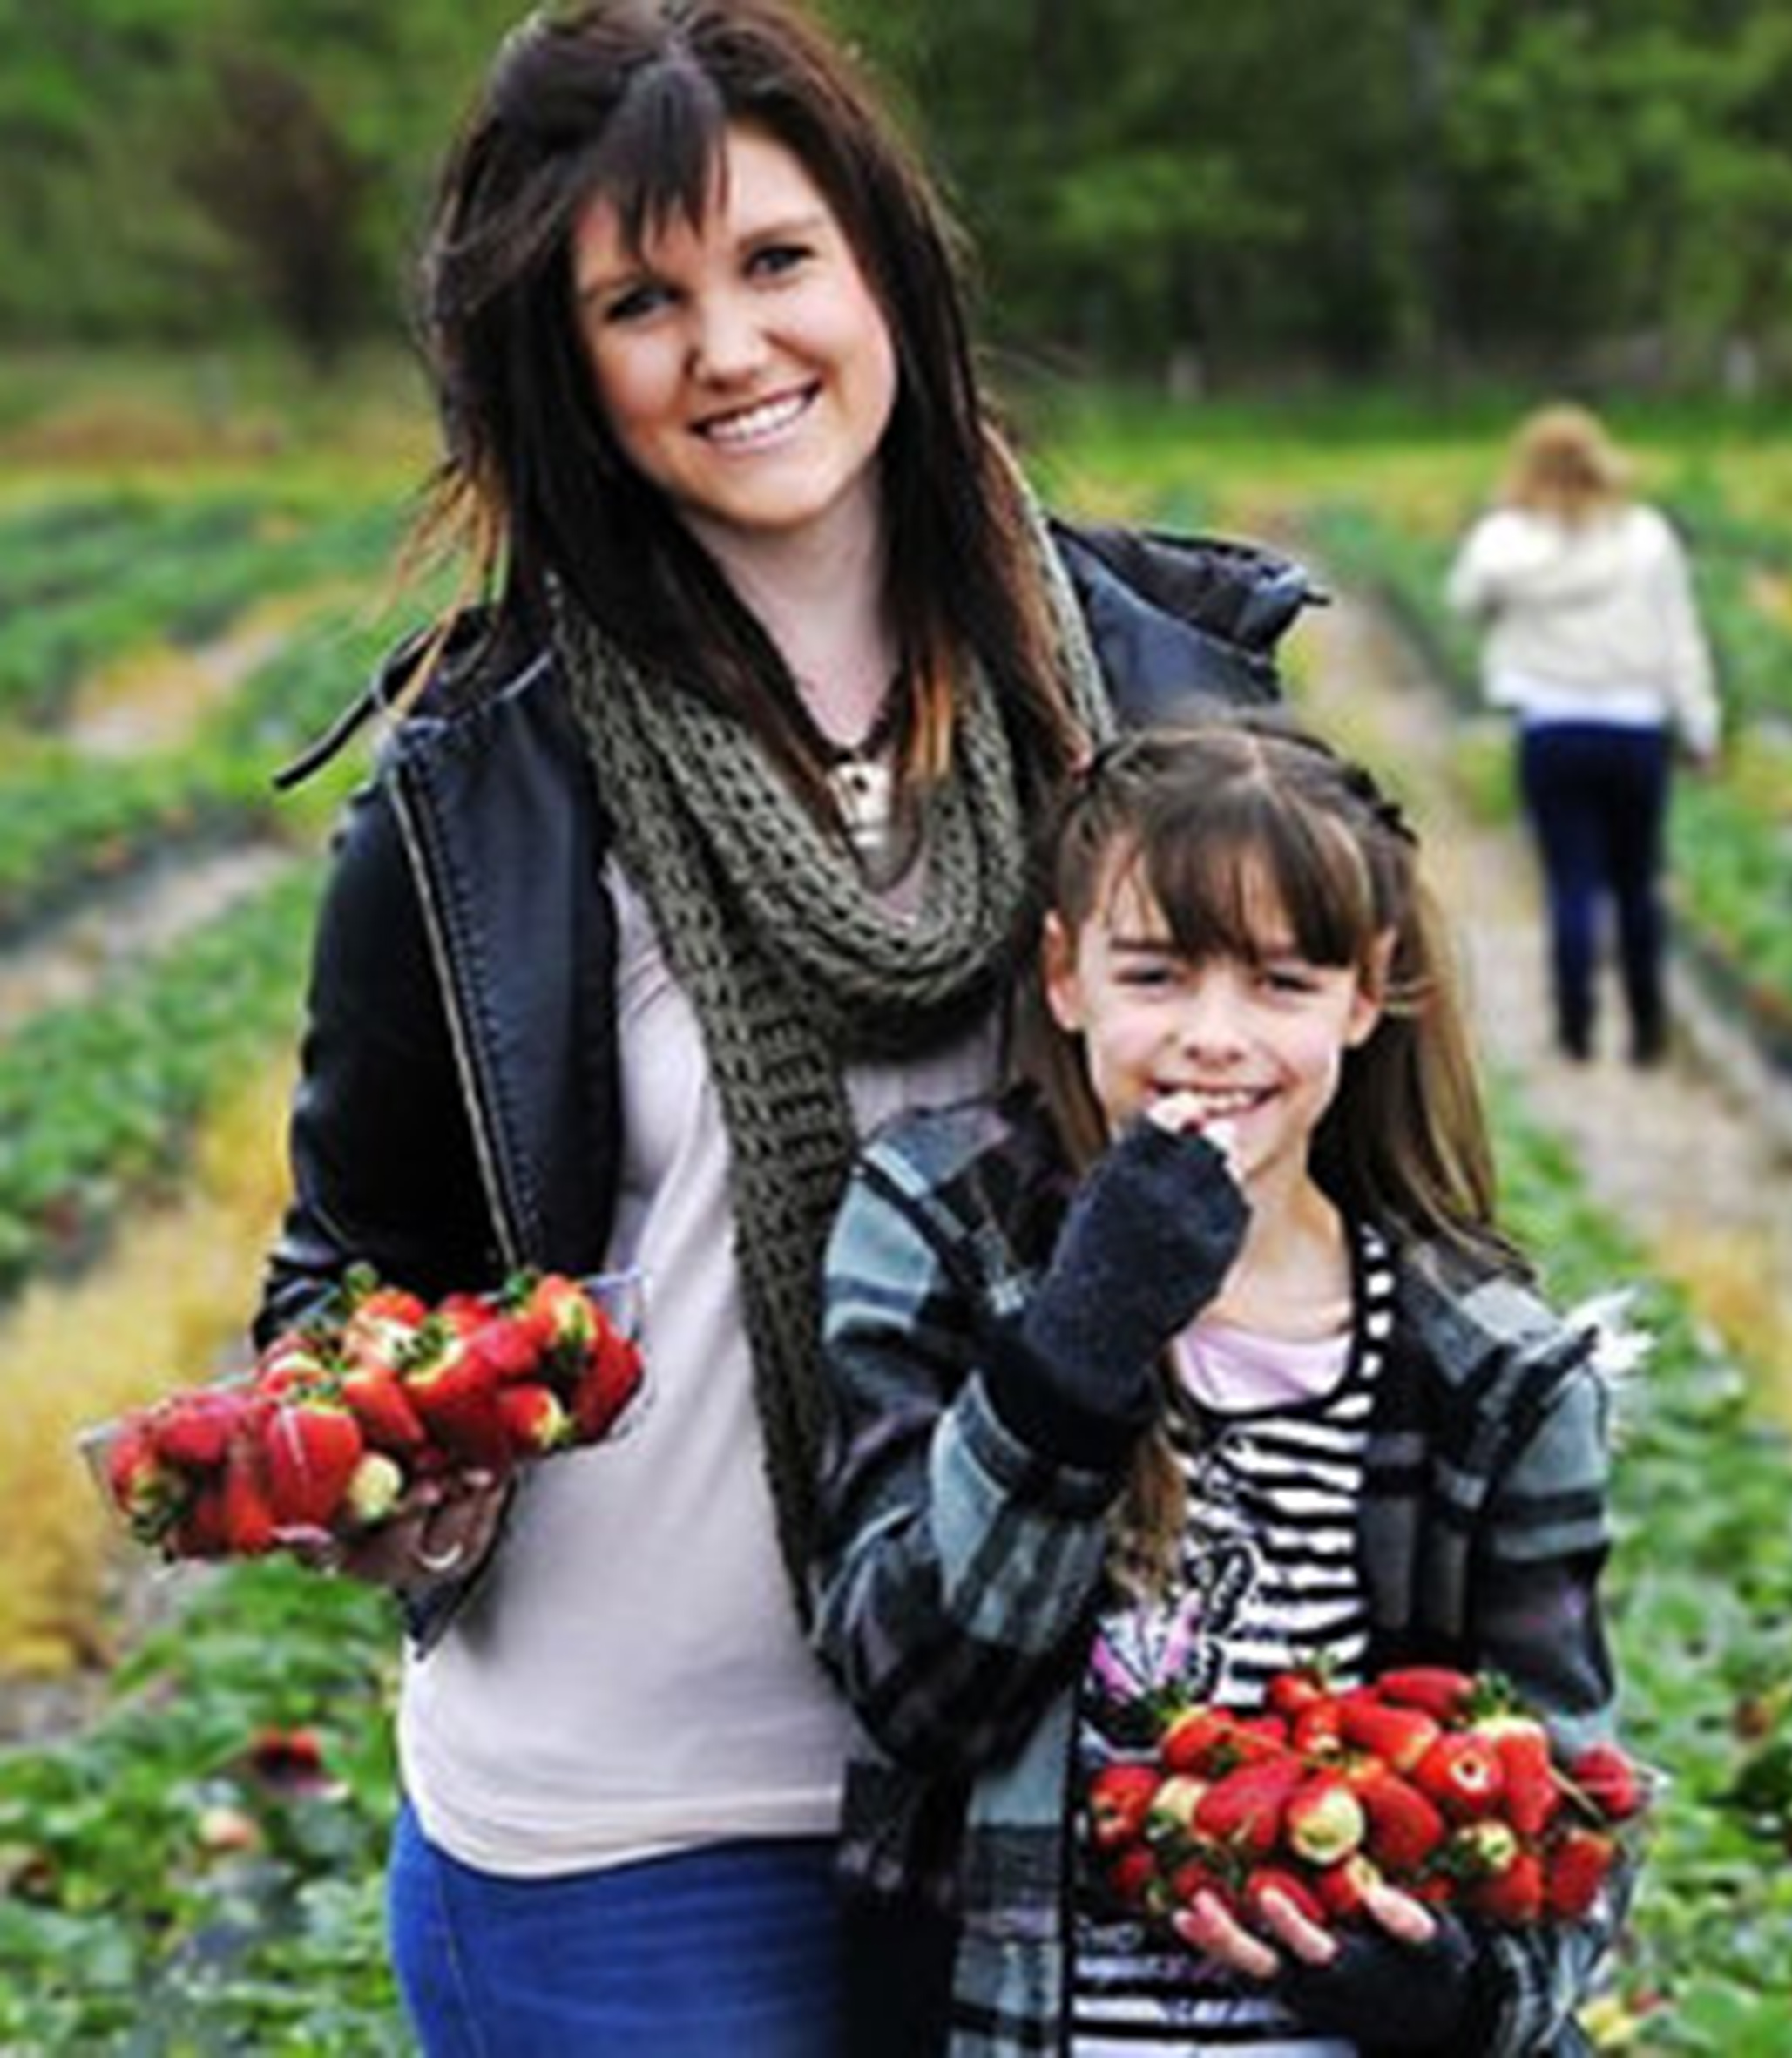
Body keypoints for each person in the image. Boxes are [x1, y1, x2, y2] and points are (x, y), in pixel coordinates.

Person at [252, 3, 1307, 2048]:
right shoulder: (488, 785)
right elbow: (340, 1277)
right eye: (640, 300)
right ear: (564, 367)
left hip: (1059, 1785)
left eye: (773, 261)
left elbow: (1363, 1229)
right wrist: (374, 1462)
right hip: (626, 1834)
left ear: (883, 265)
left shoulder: (1164, 707)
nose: (729, 349)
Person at [813, 717, 1624, 2054]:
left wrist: (1457, 1990)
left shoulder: (1481, 1363)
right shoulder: (947, 1229)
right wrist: (1082, 1339)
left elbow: (1571, 1798)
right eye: (1156, 972)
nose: (1211, 1034)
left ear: (1364, 998)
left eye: (1280, 983)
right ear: (1065, 977)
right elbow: (909, 1682)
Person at [1446, 403, 1721, 1066]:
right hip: (1634, 729)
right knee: (1636, 883)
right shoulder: (1646, 536)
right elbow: (1680, 637)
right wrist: (1700, 724)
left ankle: (1574, 1030)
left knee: (1570, 881)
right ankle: (1647, 1029)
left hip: (1552, 727)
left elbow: (1465, 602)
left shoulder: (1505, 540)